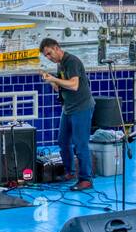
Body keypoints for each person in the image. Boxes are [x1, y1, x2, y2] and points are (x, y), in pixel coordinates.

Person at [39, 37, 95, 191]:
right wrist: (51, 81)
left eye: (49, 54)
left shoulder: (72, 61)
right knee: (63, 141)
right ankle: (70, 172)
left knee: (80, 144)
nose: (49, 58)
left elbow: (74, 84)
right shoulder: (60, 64)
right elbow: (61, 87)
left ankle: (86, 179)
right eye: (46, 56)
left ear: (57, 48)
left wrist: (54, 78)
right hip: (68, 108)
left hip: (81, 107)